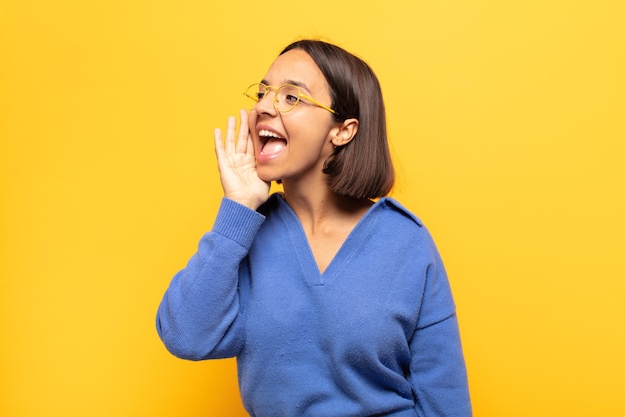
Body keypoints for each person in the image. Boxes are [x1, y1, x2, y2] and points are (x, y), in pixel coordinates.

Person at [156, 39, 472, 417]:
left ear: (343, 131)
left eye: (291, 98)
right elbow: (186, 337)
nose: (262, 107)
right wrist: (238, 208)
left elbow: (446, 401)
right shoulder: (247, 235)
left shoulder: (406, 242)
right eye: (263, 92)